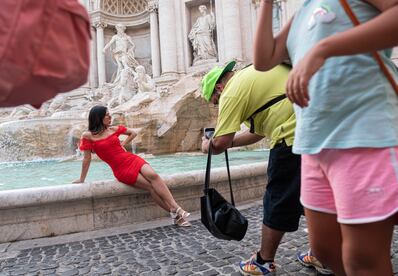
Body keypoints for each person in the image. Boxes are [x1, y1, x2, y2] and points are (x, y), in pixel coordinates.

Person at [253, 0, 398, 275]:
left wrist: (325, 48)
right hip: (314, 144)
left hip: (362, 134)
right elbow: (263, 59)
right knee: (326, 250)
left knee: (363, 259)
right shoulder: (301, 12)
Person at [200, 61, 312, 275]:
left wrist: (207, 146)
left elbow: (220, 142)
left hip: (291, 136)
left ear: (219, 88)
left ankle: (263, 261)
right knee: (313, 196)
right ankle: (323, 253)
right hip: (316, 125)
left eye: (215, 101)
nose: (218, 105)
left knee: (277, 199)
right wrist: (230, 142)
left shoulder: (231, 92)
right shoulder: (252, 75)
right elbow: (258, 133)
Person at [73, 105, 191, 227]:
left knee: (154, 175)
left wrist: (123, 144)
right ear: (99, 117)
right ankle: (176, 215)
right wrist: (82, 179)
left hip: (131, 159)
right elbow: (87, 159)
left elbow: (133, 133)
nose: (110, 116)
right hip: (120, 169)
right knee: (150, 187)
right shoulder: (88, 136)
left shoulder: (113, 129)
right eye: (107, 115)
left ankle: (176, 208)